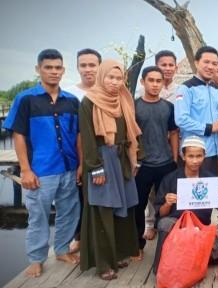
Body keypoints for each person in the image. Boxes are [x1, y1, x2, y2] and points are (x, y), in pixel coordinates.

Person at [2, 49, 81, 278]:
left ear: (63, 70)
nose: (54, 72)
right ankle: (36, 258)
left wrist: (80, 165)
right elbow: (18, 135)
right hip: (41, 170)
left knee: (69, 212)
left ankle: (62, 249)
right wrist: (25, 170)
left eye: (58, 68)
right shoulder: (26, 99)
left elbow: (78, 137)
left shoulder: (72, 101)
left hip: (68, 168)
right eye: (48, 67)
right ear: (38, 69)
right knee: (38, 215)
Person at [79, 59, 143, 280]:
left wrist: (135, 158)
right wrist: (95, 168)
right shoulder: (89, 102)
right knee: (103, 210)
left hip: (122, 159)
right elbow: (87, 138)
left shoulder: (123, 100)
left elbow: (132, 133)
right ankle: (103, 263)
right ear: (101, 77)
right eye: (110, 77)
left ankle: (117, 255)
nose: (115, 83)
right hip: (102, 160)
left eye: (119, 78)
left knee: (122, 209)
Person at [153, 136, 218, 272]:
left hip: (200, 227)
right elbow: (161, 213)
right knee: (164, 223)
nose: (195, 161)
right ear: (183, 156)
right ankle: (160, 268)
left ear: (204, 156)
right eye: (190, 156)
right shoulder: (170, 179)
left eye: (199, 156)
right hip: (177, 227)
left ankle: (186, 257)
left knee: (217, 254)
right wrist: (167, 203)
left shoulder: (210, 179)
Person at [134, 66, 179, 260]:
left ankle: (168, 243)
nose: (154, 84)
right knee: (138, 206)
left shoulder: (168, 107)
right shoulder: (134, 106)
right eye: (150, 80)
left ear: (163, 83)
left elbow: (174, 133)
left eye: (158, 81)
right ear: (143, 82)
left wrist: (175, 159)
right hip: (142, 165)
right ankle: (138, 245)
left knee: (167, 205)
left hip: (166, 163)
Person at [65, 48, 102, 254]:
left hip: (104, 151)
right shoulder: (70, 93)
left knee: (103, 196)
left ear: (99, 66)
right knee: (79, 197)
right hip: (77, 152)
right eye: (83, 65)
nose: (88, 69)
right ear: (78, 67)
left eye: (92, 65)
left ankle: (101, 237)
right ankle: (79, 236)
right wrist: (81, 162)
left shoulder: (107, 91)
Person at [175, 46, 218, 175]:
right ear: (196, 63)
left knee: (212, 190)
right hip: (194, 152)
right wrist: (209, 128)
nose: (210, 67)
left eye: (214, 63)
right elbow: (181, 119)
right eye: (206, 62)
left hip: (215, 150)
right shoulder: (186, 88)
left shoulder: (217, 90)